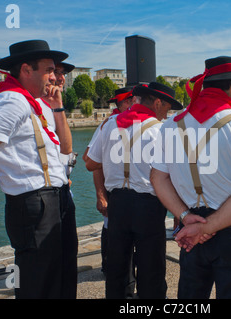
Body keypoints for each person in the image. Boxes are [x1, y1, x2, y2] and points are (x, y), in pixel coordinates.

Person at [0, 40, 79, 298]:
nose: (55, 77)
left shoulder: (36, 102)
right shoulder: (11, 101)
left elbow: (65, 150)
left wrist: (57, 107)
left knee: (62, 275)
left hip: (56, 198)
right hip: (34, 203)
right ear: (26, 70)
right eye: (49, 70)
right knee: (37, 283)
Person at [150, 56, 231, 299]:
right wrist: (205, 227)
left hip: (191, 223)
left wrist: (188, 219)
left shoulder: (170, 126)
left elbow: (158, 179)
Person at [85, 82, 183, 299]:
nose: (167, 112)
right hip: (149, 205)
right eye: (167, 107)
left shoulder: (110, 123)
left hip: (118, 202)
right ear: (157, 103)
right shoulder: (161, 130)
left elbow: (90, 164)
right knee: (152, 268)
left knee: (118, 267)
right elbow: (175, 176)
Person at [83, 87, 136, 298]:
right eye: (128, 101)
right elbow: (91, 161)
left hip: (135, 195)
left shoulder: (141, 122)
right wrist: (100, 195)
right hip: (117, 194)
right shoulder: (108, 125)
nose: (131, 105)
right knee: (117, 248)